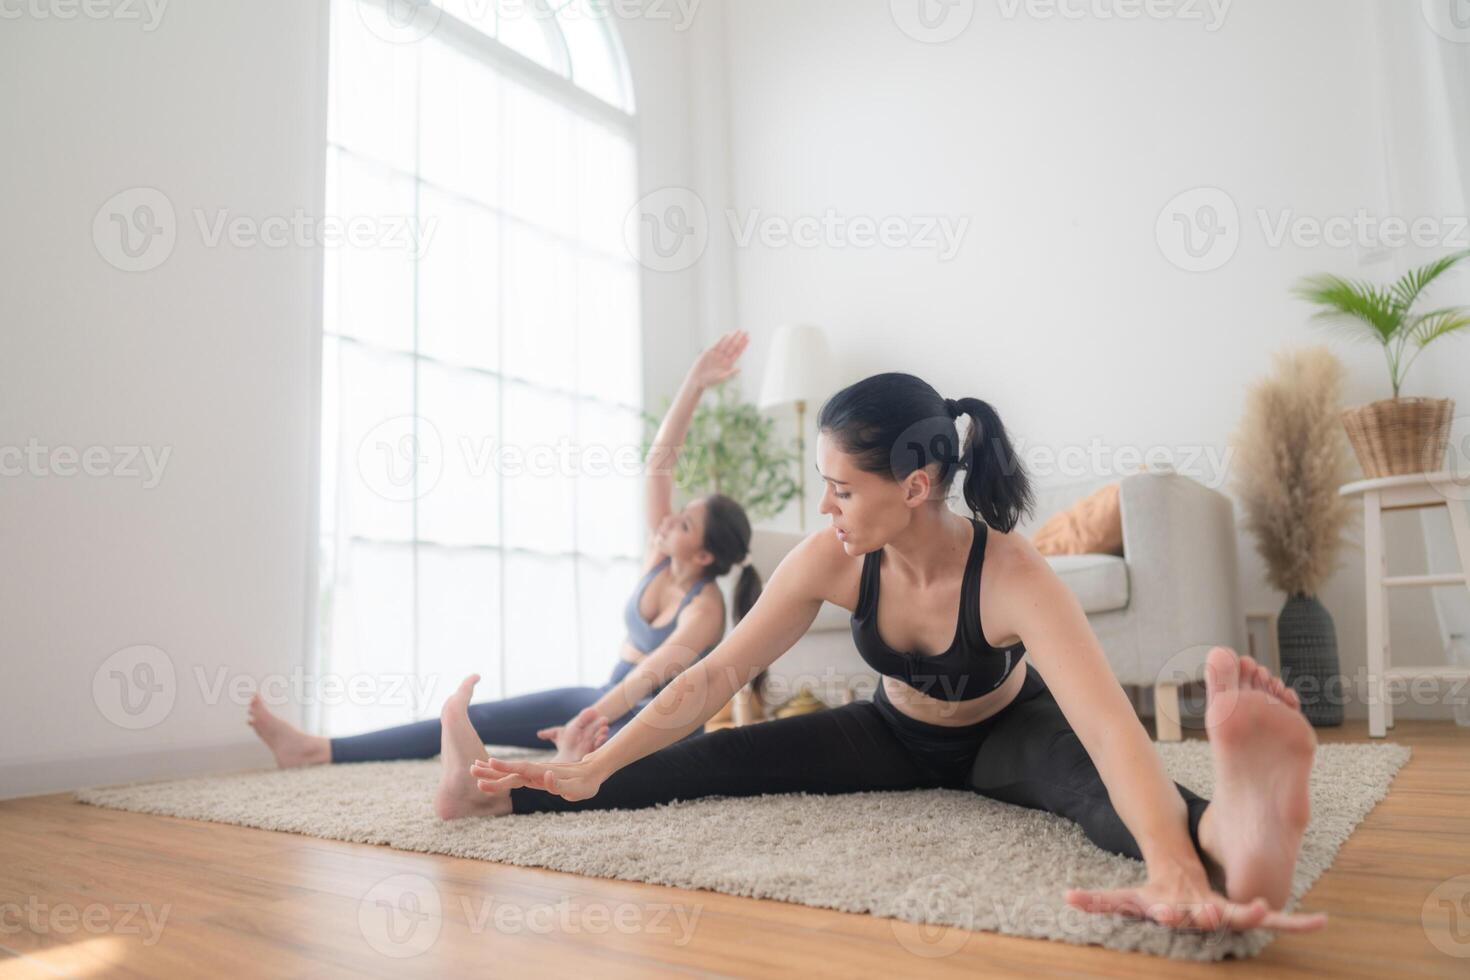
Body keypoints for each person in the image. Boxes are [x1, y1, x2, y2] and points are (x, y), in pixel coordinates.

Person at [448, 371, 1329, 936]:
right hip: (888, 732)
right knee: (704, 760)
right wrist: (592, 759)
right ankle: (500, 803)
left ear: (913, 487)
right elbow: (713, 675)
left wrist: (1170, 871)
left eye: (840, 489)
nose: (826, 508)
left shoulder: (1012, 571)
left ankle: (1230, 837)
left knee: (1105, 804)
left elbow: (1106, 729)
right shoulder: (833, 557)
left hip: (1004, 734)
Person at [246, 332, 765, 802]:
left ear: (702, 556)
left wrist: (588, 720)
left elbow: (648, 679)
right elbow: (659, 464)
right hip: (601, 700)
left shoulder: (706, 612)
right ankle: (316, 750)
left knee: (571, 739)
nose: (670, 520)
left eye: (685, 524)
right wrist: (695, 383)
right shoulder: (661, 555)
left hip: (646, 720)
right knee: (479, 714)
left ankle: (547, 768)